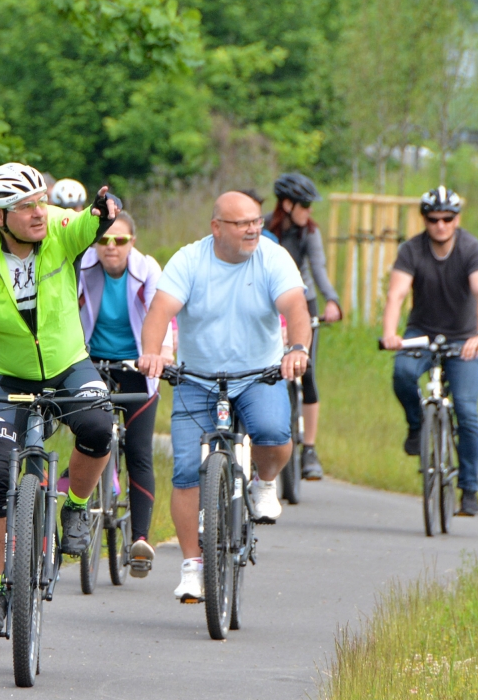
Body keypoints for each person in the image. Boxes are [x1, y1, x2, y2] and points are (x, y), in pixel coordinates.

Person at [0, 162, 120, 636]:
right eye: (25, 207)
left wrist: (103, 213)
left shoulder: (56, 226)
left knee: (98, 428)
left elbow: (87, 225)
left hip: (68, 363)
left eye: (40, 201)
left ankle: (74, 505)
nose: (38, 212)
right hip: (5, 372)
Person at [137, 191, 311, 603]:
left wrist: (297, 349)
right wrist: (152, 353)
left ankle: (264, 483)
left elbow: (296, 308)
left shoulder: (273, 257)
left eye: (257, 220)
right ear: (217, 228)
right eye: (242, 223)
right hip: (196, 378)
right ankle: (193, 568)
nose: (253, 229)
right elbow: (159, 313)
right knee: (184, 471)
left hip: (258, 374)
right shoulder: (189, 261)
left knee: (271, 432)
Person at [380, 186, 478, 517]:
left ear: (457, 219)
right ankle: (416, 425)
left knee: (467, 410)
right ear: (424, 220)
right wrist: (390, 333)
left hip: (464, 338)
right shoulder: (411, 250)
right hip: (421, 335)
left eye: (447, 219)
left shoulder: (472, 249)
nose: (440, 226)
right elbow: (396, 295)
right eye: (433, 219)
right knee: (402, 374)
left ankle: (469, 489)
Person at [78, 211, 175, 577]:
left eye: (119, 240)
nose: (110, 247)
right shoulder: (82, 266)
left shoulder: (148, 270)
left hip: (137, 366)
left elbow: (161, 314)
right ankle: (79, 510)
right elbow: (65, 309)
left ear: (132, 241)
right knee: (90, 436)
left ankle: (140, 541)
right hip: (92, 364)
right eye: (103, 240)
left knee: (138, 450)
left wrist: (161, 355)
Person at [267, 172, 343, 480]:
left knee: (307, 372)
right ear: (287, 204)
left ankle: (309, 448)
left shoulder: (310, 233)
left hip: (303, 302)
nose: (310, 212)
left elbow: (319, 269)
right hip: (270, 304)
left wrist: (332, 300)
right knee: (268, 373)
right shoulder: (263, 228)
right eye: (305, 205)